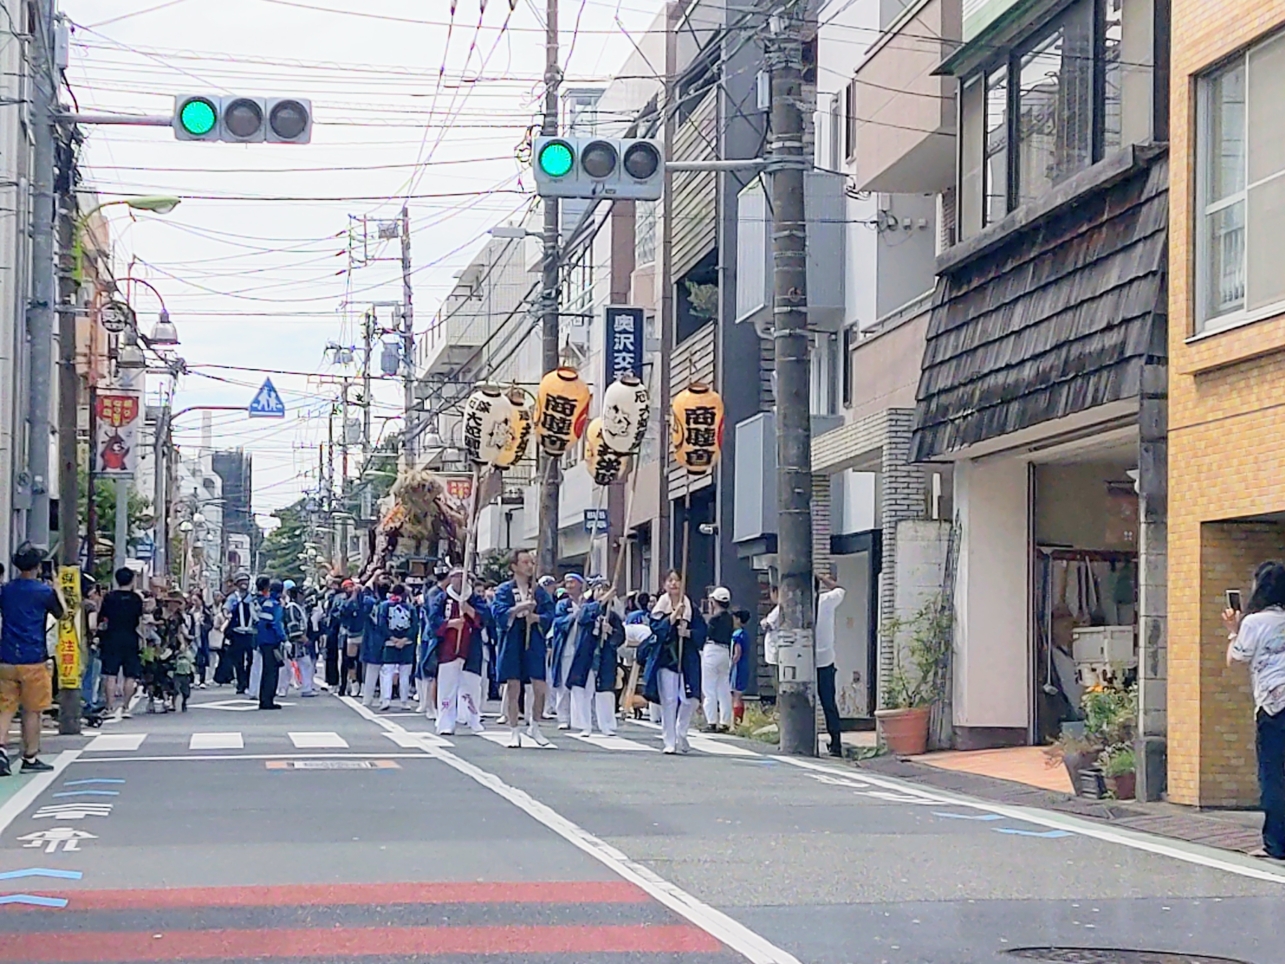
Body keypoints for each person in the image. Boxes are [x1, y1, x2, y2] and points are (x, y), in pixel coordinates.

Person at [1225, 560, 1285, 860]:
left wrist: (1233, 630)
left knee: (1273, 776)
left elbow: (1236, 659)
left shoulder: (1254, 622)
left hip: (1274, 708)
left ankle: (1276, 844)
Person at [0, 546, 62, 773]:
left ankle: (1, 749)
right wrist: (57, 588)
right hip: (33, 657)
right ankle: (30, 757)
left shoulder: (5, 590)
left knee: (5, 708)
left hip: (5, 657)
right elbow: (61, 613)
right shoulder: (43, 592)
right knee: (32, 710)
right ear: (38, 566)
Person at [492, 549, 555, 747]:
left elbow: (550, 614)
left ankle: (535, 725)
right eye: (525, 562)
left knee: (539, 686)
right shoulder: (504, 589)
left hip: (533, 637)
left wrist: (537, 617)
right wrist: (519, 608)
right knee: (513, 686)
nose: (529, 566)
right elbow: (498, 613)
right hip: (512, 638)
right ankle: (514, 730)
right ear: (514, 566)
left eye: (531, 562)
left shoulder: (538, 590)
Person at [643, 571, 705, 755]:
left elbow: (702, 632)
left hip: (687, 658)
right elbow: (657, 630)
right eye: (670, 580)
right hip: (666, 658)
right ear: (665, 584)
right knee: (668, 701)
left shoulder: (690, 607)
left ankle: (681, 730)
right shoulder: (660, 607)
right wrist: (672, 617)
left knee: (691, 699)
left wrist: (688, 633)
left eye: (677, 580)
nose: (674, 584)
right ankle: (669, 740)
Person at [428, 569, 487, 734]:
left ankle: (472, 718)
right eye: (456, 577)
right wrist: (450, 624)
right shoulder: (442, 599)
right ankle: (446, 722)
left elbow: (485, 618)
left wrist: (468, 609)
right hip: (448, 650)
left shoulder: (474, 599)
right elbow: (433, 620)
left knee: (472, 686)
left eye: (463, 577)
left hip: (470, 649)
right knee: (446, 688)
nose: (459, 581)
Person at [569, 577, 624, 736]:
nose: (602, 593)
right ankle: (584, 725)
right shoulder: (586, 608)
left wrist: (610, 632)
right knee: (584, 690)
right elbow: (584, 618)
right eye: (599, 589)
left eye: (605, 590)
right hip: (586, 656)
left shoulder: (612, 615)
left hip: (604, 657)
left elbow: (621, 637)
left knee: (605, 691)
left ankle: (606, 724)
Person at [97, 567, 144, 721]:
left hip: (112, 637)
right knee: (130, 674)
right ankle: (126, 707)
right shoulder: (136, 599)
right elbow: (140, 620)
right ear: (131, 580)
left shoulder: (109, 597)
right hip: (130, 636)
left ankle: (110, 707)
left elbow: (102, 618)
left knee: (111, 674)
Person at [549, 573, 588, 730]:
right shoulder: (563, 604)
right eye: (567, 583)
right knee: (563, 684)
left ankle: (580, 717)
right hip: (566, 648)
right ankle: (563, 717)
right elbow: (558, 622)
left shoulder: (587, 602)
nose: (569, 585)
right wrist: (573, 615)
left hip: (583, 649)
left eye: (572, 582)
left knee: (582, 685)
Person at [816, 571, 845, 757]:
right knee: (828, 704)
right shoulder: (826, 600)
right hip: (825, 660)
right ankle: (836, 743)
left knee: (801, 702)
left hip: (802, 659)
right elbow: (840, 589)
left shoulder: (795, 604)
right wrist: (822, 577)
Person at [377, 583, 418, 710]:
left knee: (387, 672)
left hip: (390, 642)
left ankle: (386, 699)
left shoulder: (384, 606)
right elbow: (415, 625)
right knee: (405, 673)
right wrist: (405, 639)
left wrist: (392, 638)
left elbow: (381, 624)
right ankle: (404, 701)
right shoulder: (410, 607)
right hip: (407, 643)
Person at [701, 586, 735, 732]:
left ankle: (712, 721)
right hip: (725, 651)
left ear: (714, 602)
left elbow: (706, 634)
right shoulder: (730, 619)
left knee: (709, 688)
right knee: (724, 688)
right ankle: (725, 722)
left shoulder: (714, 619)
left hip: (712, 650)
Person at [255, 577, 287, 710]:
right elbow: (277, 624)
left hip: (262, 640)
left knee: (266, 670)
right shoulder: (276, 605)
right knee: (272, 671)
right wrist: (284, 638)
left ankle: (264, 699)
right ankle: (268, 700)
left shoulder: (266, 603)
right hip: (272, 641)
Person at [223, 573, 257, 695]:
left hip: (250, 633)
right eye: (241, 581)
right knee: (238, 660)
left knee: (251, 660)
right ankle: (241, 684)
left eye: (246, 581)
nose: (244, 584)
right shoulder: (233, 597)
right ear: (237, 584)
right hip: (237, 632)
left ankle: (248, 682)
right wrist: (226, 613)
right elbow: (226, 608)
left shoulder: (252, 597)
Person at [361, 573, 391, 707]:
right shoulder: (391, 604)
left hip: (373, 638)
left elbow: (364, 590)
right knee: (387, 672)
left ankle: (368, 698)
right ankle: (385, 699)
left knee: (372, 671)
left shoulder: (369, 601)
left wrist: (375, 575)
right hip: (389, 638)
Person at [185, 591, 212, 690]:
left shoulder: (205, 612)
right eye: (193, 600)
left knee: (202, 658)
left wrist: (203, 625)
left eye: (196, 600)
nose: (194, 603)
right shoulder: (189, 612)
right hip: (192, 637)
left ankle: (202, 680)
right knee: (191, 658)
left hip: (202, 637)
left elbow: (210, 624)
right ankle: (191, 680)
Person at [730, 608, 753, 727]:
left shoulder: (737, 634)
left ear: (738, 620)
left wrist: (731, 663)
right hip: (745, 664)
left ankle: (735, 721)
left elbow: (737, 653)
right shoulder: (746, 634)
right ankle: (739, 719)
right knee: (740, 694)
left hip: (738, 666)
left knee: (736, 695)